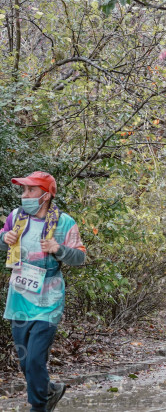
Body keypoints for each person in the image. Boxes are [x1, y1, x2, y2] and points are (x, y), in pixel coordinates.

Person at [0, 171, 86, 412]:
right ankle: (49, 391)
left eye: (31, 190)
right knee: (26, 362)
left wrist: (59, 249)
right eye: (24, 190)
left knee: (36, 359)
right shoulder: (16, 217)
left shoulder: (65, 222)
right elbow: (2, 240)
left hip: (48, 300)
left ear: (46, 195)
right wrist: (5, 237)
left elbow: (80, 257)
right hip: (19, 299)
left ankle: (38, 407)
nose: (24, 195)